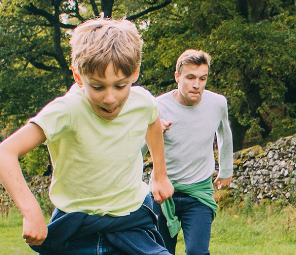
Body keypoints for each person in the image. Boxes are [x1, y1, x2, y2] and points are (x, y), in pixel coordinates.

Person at [0, 18, 174, 253]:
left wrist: (160, 175)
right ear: (79, 76)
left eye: (120, 86)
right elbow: (6, 152)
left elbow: (152, 121)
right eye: (98, 87)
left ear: (134, 73)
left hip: (131, 221)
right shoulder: (67, 109)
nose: (110, 98)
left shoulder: (143, 101)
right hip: (76, 226)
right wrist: (30, 210)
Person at [149, 49, 233, 255]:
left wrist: (226, 170)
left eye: (202, 78)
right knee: (161, 252)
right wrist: (151, 130)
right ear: (177, 77)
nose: (197, 84)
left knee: (197, 251)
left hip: (198, 193)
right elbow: (137, 148)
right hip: (163, 192)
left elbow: (225, 134)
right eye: (190, 78)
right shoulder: (157, 106)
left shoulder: (217, 103)